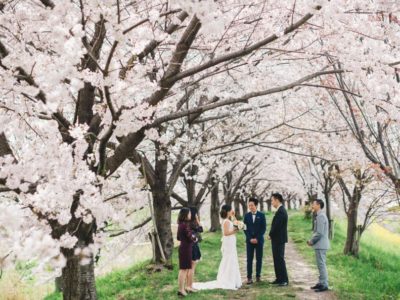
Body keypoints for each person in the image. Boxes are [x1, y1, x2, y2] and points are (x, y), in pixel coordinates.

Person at [193, 204, 242, 290]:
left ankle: (233, 279)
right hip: (228, 242)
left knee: (232, 258)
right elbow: (226, 233)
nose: (232, 211)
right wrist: (236, 231)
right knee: (229, 258)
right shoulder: (226, 221)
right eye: (231, 210)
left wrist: (234, 216)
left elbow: (235, 223)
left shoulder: (228, 220)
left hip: (231, 241)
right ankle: (228, 279)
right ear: (227, 211)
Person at [307, 199, 330, 293]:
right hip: (320, 245)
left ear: (319, 205)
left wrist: (312, 241)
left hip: (321, 245)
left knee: (321, 265)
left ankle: (324, 284)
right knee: (320, 265)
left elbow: (319, 232)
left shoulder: (320, 216)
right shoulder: (319, 215)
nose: (312, 205)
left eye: (314, 204)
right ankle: (321, 282)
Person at [243, 197, 267, 284]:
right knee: (249, 259)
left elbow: (263, 228)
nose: (250, 207)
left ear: (256, 205)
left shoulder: (262, 215)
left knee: (259, 258)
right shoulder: (246, 215)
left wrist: (257, 238)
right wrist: (250, 238)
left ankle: (258, 276)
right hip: (249, 241)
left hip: (259, 240)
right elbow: (244, 228)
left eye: (252, 205)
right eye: (249, 205)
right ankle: (249, 277)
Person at [268, 193, 289, 286]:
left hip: (279, 239)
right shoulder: (280, 210)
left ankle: (284, 280)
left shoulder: (281, 211)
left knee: (279, 259)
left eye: (272, 200)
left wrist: (270, 234)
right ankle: (279, 278)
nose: (271, 202)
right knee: (276, 259)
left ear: (277, 200)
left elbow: (277, 226)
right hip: (277, 239)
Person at [177, 207, 196, 297]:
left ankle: (182, 289)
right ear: (185, 215)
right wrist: (194, 238)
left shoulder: (181, 224)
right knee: (183, 270)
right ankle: (181, 290)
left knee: (184, 269)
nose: (190, 215)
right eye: (189, 213)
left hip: (184, 247)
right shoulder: (184, 225)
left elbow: (178, 237)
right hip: (185, 249)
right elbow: (190, 237)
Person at [187, 207, 203, 292]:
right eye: (196, 214)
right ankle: (190, 286)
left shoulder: (187, 223)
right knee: (192, 268)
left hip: (190, 246)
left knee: (189, 268)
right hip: (193, 246)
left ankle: (188, 286)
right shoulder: (193, 224)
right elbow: (201, 229)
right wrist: (197, 220)